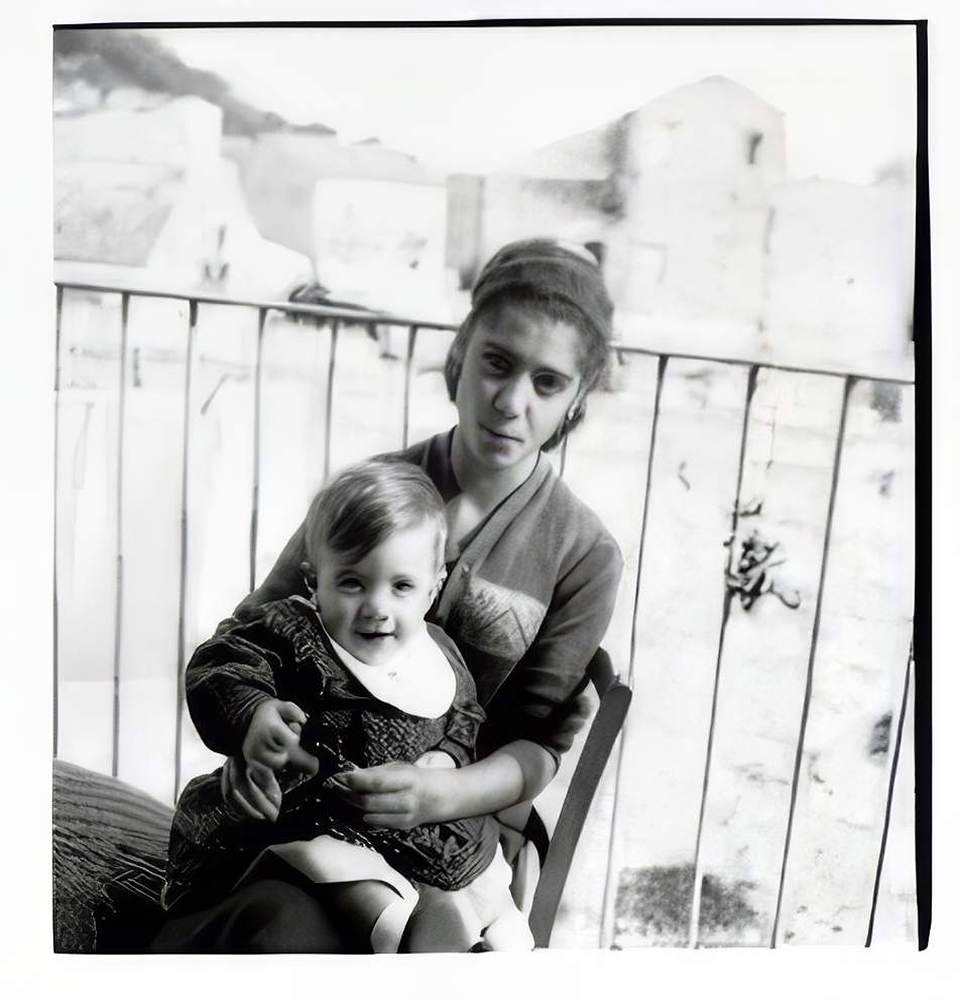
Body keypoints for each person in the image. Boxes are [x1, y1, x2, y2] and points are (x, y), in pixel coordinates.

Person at [152, 237, 624, 952]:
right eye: (497, 362)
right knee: (282, 924)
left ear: (576, 400)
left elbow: (536, 745)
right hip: (307, 797)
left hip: (454, 826)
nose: (511, 401)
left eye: (548, 382)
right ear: (460, 354)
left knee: (370, 936)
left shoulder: (583, 553)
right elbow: (255, 635)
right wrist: (253, 737)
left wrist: (443, 794)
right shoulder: (370, 492)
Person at [158, 461, 533, 953]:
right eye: (352, 583)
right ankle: (402, 935)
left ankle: (491, 938)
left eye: (401, 587)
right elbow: (223, 665)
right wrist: (255, 715)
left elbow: (464, 720)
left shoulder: (438, 654)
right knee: (348, 877)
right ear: (314, 581)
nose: (376, 607)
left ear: (433, 587)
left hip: (414, 831)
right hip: (319, 818)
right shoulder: (290, 632)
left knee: (484, 889)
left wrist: (447, 759)